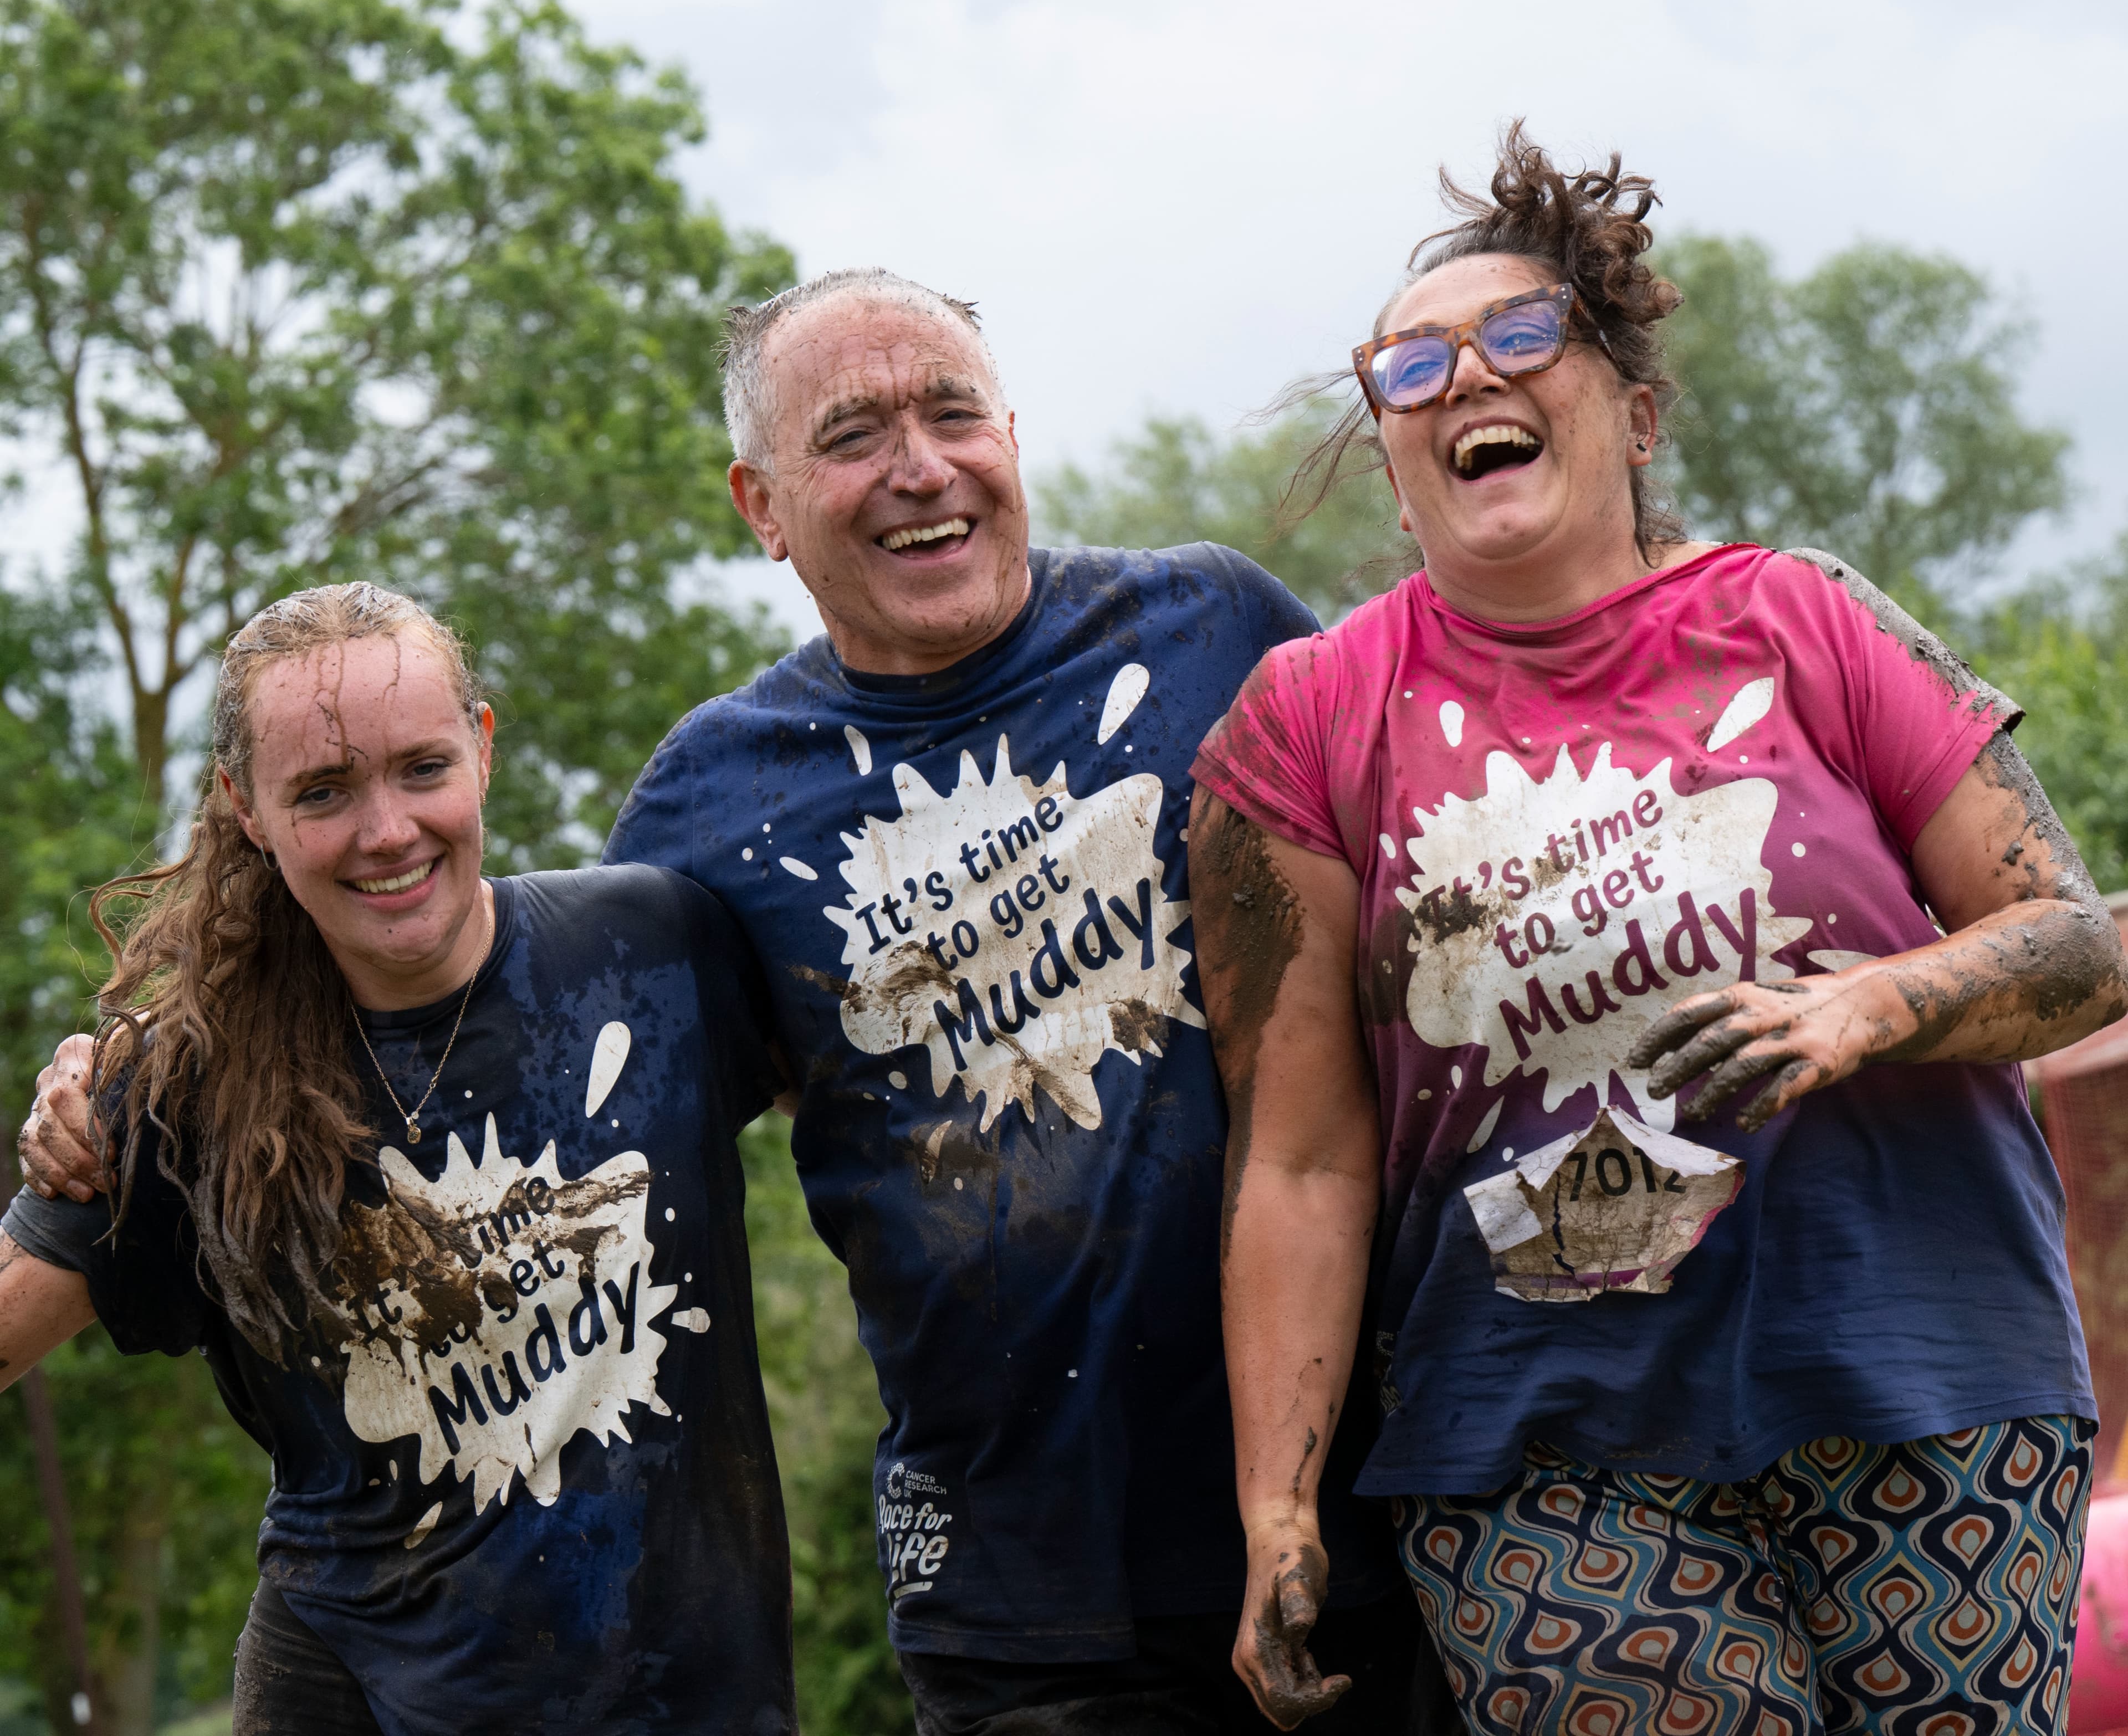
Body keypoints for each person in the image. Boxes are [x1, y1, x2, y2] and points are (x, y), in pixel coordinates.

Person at [23, 272, 1447, 1734]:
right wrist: (145, 1073)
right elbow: (477, 1025)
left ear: (1011, 434)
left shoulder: (1224, 629)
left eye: (953, 414)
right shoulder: (712, 809)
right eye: (852, 435)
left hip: (1373, 1482)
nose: (919, 467)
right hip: (1028, 1594)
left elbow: (1458, 882)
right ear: (760, 507)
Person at [1188, 128, 2128, 1735]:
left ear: (1627, 415)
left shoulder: (1804, 614)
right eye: (1413, 364)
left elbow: (2076, 944)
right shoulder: (1305, 725)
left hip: (1931, 1378)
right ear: (1392, 443)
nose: (1464, 374)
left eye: (1522, 337)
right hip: (1536, 1437)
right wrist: (1277, 1503)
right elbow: (1299, 1157)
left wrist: (1867, 1011)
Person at [2, 584, 794, 1736]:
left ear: (481, 748)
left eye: (421, 768)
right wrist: (73, 1121)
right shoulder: (187, 1090)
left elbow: (893, 1089)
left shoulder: (657, 949)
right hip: (357, 1698)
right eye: (323, 791)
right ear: (247, 808)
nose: (387, 831)